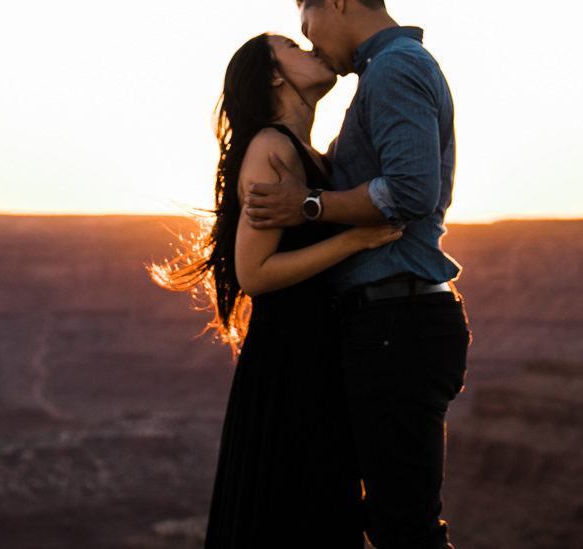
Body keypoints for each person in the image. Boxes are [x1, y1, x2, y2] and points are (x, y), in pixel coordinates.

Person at [244, 0, 469, 549]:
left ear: (337, 0)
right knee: (393, 521)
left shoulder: (393, 70)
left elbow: (411, 192)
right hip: (396, 323)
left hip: (399, 323)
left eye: (308, 23)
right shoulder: (386, 73)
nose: (312, 40)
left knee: (404, 529)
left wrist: (310, 206)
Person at [155, 31, 404, 549]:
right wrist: (354, 240)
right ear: (274, 76)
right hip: (289, 360)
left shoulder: (315, 157)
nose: (312, 49)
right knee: (291, 515)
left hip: (317, 354)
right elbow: (255, 273)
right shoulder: (271, 147)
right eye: (292, 46)